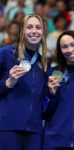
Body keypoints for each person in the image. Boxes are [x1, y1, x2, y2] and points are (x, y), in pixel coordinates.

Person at [0, 14, 49, 150]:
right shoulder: (5, 54)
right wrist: (8, 83)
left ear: (43, 33)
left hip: (35, 131)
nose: (34, 31)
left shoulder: (44, 63)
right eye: (29, 27)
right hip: (8, 127)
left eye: (38, 27)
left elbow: (45, 100)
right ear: (22, 31)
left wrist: (52, 92)